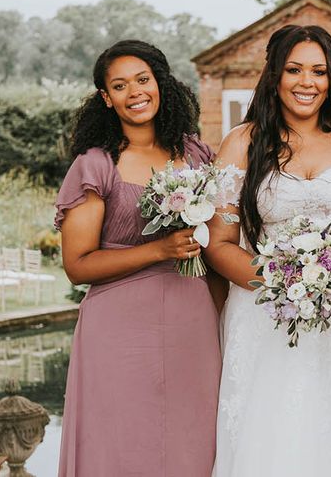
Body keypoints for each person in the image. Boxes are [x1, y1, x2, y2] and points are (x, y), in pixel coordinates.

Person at [205, 24, 331, 477]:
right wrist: (283, 282)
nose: (306, 82)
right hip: (266, 313)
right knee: (273, 436)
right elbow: (218, 244)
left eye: (318, 71)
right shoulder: (243, 143)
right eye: (294, 69)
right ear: (275, 75)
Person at [55, 40, 221, 476]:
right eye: (121, 86)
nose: (135, 92)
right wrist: (159, 250)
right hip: (117, 328)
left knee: (193, 439)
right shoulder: (95, 166)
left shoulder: (196, 155)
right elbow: (77, 265)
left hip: (192, 321)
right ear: (107, 99)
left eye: (143, 80)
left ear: (160, 83)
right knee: (119, 442)